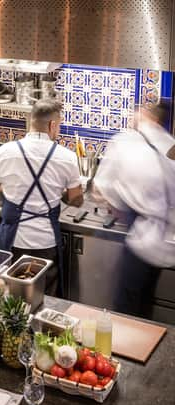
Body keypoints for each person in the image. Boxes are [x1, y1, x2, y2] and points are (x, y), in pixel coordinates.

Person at [0, 99, 83, 297]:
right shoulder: (67, 157)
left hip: (12, 240)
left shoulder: (5, 151)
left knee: (8, 298)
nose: (59, 130)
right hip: (45, 243)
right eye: (59, 125)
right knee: (43, 298)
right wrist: (58, 195)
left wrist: (11, 189)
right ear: (52, 125)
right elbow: (76, 199)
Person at [94, 100, 175, 317]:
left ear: (150, 117)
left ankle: (122, 347)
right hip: (167, 243)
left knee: (126, 305)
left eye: (140, 111)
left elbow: (100, 189)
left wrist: (118, 206)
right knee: (145, 303)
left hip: (141, 239)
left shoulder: (126, 141)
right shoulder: (170, 143)